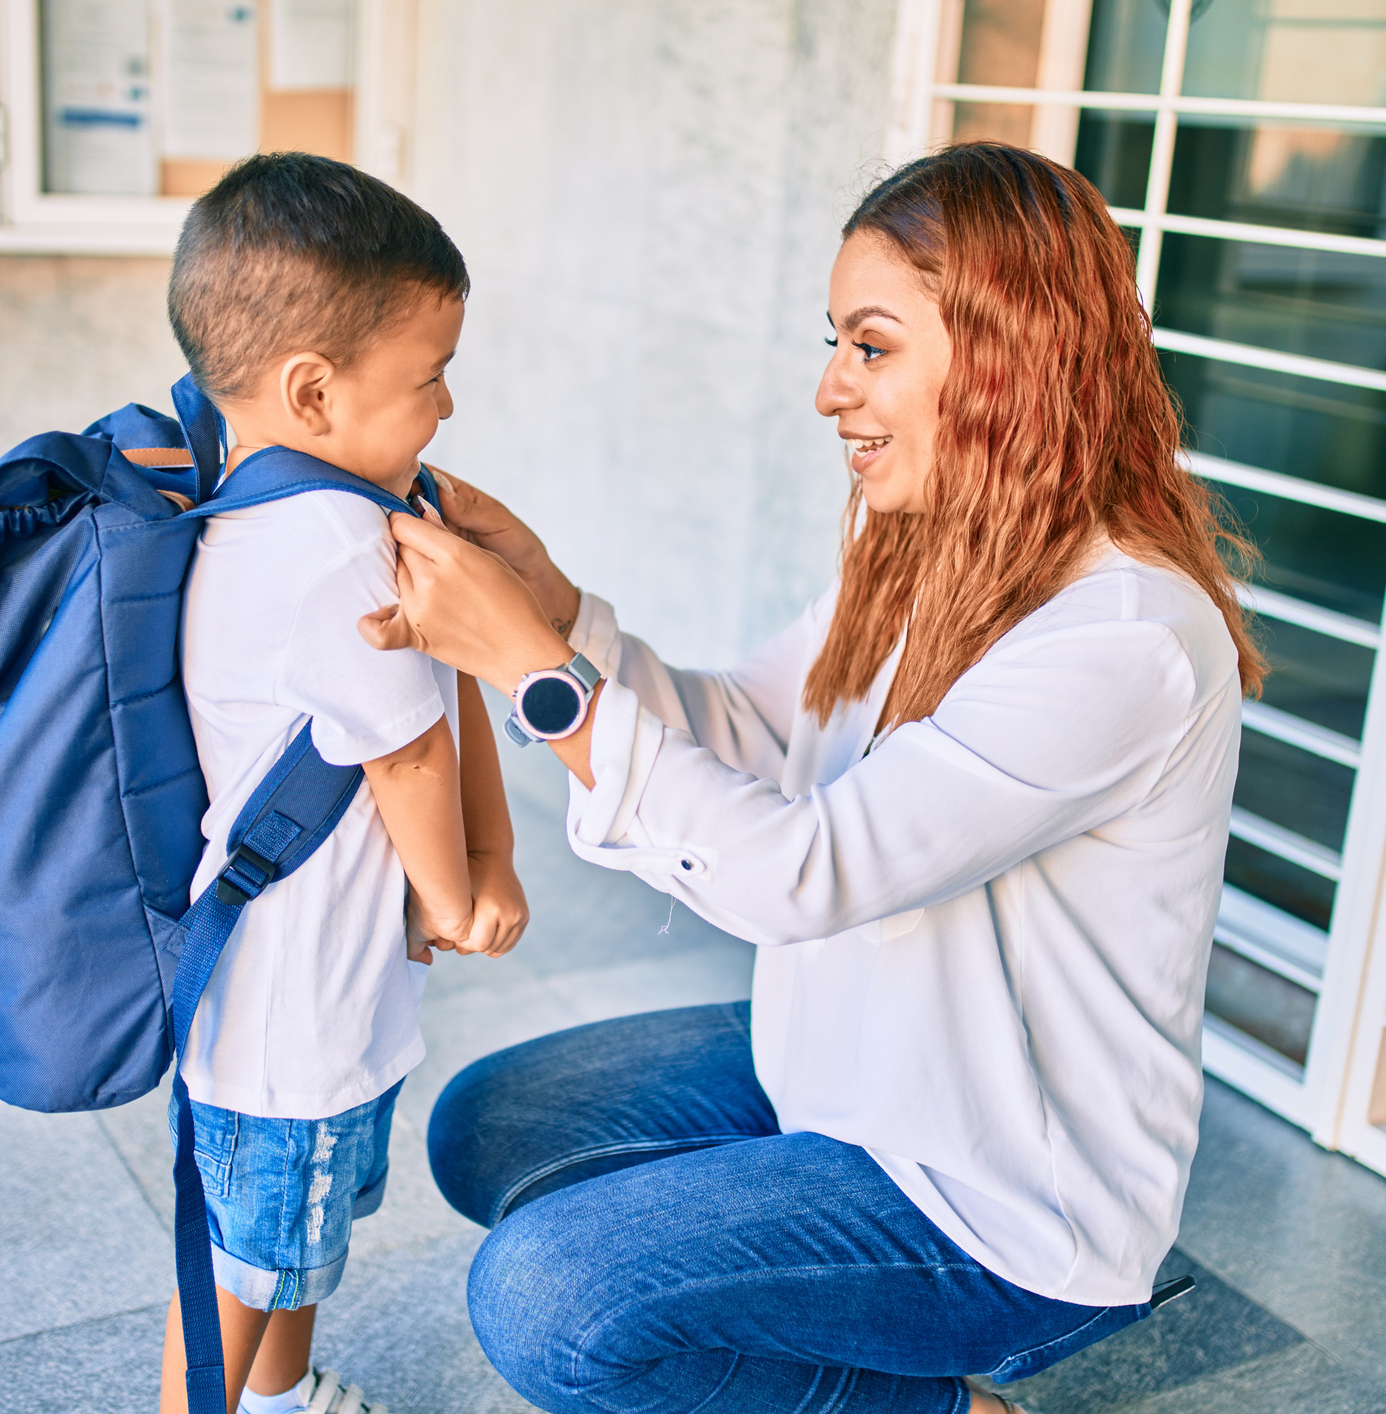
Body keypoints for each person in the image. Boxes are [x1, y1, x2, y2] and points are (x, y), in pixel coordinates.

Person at [357, 143, 1262, 1414]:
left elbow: (804, 873)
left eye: (871, 346)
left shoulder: (1121, 638)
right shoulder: (926, 547)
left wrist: (530, 674)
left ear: (1012, 354)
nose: (831, 389)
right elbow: (742, 725)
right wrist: (554, 609)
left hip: (999, 1189)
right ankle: (788, 1281)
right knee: (491, 1124)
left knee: (548, 1298)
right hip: (853, 1068)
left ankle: (946, 1402)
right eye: (835, 342)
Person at [160, 152, 529, 1414]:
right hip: (290, 1013)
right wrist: (458, 890)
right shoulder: (332, 545)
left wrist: (479, 867)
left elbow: (441, 686)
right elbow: (406, 747)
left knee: (289, 1242)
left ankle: (275, 1399)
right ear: (313, 392)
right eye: (428, 377)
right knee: (241, 1266)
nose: (447, 406)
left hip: (308, 988)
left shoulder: (272, 512)